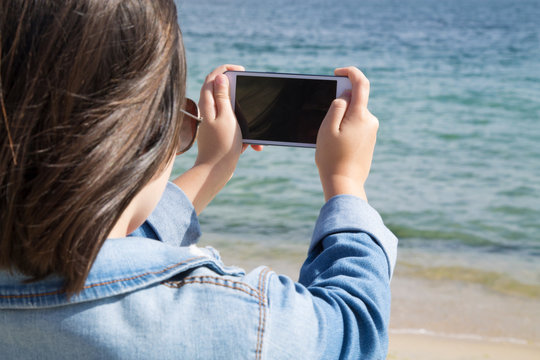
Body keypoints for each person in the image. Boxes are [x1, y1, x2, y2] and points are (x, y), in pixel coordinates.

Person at [0, 0, 398, 359]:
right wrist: (345, 180)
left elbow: (107, 254)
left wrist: (211, 167)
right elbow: (354, 333)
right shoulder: (234, 318)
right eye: (180, 119)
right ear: (148, 131)